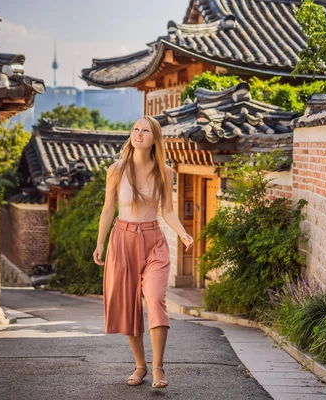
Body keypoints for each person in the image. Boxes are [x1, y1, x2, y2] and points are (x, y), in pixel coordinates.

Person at [93, 115, 194, 389]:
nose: (138, 134)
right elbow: (108, 209)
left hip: (154, 241)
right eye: (135, 129)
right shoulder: (116, 170)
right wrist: (100, 242)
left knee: (156, 298)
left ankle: (159, 367)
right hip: (122, 239)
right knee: (128, 306)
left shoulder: (165, 172)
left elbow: (168, 211)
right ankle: (140, 366)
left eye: (145, 130)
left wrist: (182, 233)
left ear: (154, 138)